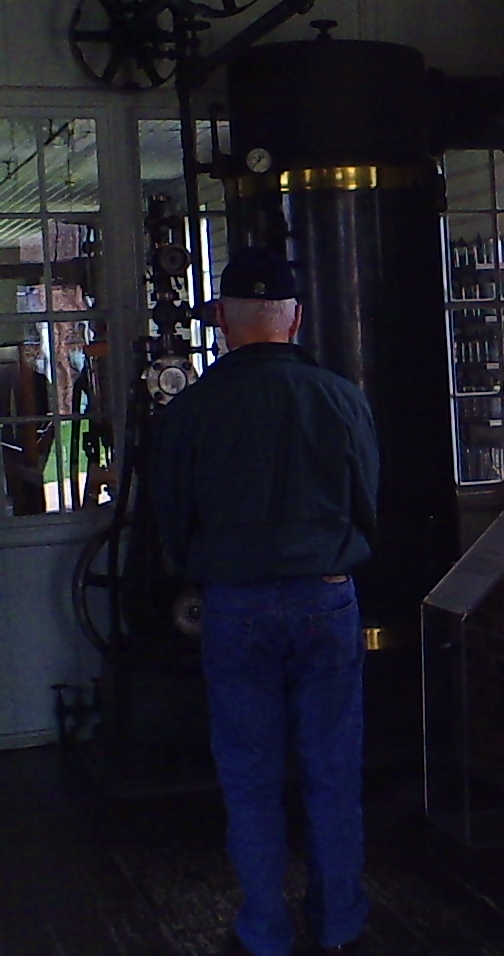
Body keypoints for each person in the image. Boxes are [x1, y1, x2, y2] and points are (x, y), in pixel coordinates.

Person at [150, 247, 380, 956]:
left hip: (235, 605)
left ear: (222, 319)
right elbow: (367, 502)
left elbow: (171, 518)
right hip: (326, 597)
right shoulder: (341, 397)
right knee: (332, 771)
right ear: (296, 318)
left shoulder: (191, 410)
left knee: (249, 777)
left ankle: (265, 931)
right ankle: (339, 924)